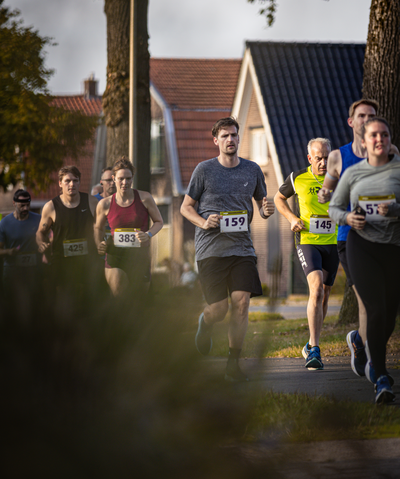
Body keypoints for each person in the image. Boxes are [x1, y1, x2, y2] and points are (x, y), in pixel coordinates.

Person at [180, 117, 275, 382]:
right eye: (225, 136)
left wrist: (267, 211)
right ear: (216, 140)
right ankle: (206, 322)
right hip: (210, 250)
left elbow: (262, 205)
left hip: (242, 249)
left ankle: (233, 365)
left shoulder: (252, 170)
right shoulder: (204, 170)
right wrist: (203, 221)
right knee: (219, 309)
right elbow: (185, 207)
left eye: (234, 135)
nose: (230, 140)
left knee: (241, 303)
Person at [318, 100, 398, 379]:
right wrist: (326, 196)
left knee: (383, 306)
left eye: (372, 116)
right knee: (367, 301)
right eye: (361, 116)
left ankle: (361, 342)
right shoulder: (339, 157)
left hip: (386, 238)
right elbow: (327, 190)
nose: (366, 120)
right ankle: (376, 365)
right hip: (350, 237)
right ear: (351, 122)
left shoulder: (392, 154)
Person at [274, 138, 339, 371]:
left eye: (326, 157)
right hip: (308, 240)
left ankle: (311, 343)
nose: (323, 162)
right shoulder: (298, 177)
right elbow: (278, 198)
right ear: (310, 158)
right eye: (318, 158)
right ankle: (315, 349)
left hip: (333, 242)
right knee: (317, 288)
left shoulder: (339, 178)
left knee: (324, 295)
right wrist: (292, 218)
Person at [94, 156, 163, 296]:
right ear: (114, 179)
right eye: (121, 179)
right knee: (120, 294)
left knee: (138, 302)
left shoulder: (145, 198)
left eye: (128, 178)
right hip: (115, 255)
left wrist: (148, 234)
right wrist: (98, 243)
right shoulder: (105, 204)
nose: (125, 182)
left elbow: (159, 222)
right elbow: (97, 227)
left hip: (139, 256)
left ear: (132, 178)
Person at [36, 166, 98, 280]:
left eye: (75, 180)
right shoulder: (50, 207)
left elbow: (101, 228)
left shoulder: (92, 201)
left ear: (79, 182)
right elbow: (40, 232)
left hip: (88, 260)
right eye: (67, 181)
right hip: (61, 262)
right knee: (63, 296)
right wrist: (41, 243)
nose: (71, 184)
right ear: (60, 183)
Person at [0, 189, 41, 287]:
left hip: (34, 272)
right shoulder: (4, 223)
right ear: (14, 203)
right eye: (22, 205)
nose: (25, 208)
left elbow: (47, 239)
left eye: (28, 205)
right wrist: (8, 251)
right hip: (12, 273)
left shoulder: (38, 219)